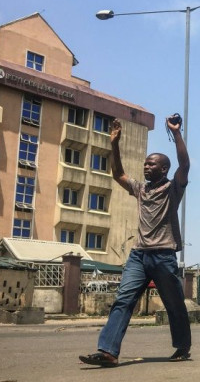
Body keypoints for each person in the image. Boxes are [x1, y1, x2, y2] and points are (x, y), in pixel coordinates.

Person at [79, 117, 191, 366]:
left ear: (164, 169)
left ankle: (183, 345)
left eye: (151, 165)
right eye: (145, 164)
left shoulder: (173, 188)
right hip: (139, 255)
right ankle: (108, 351)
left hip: (164, 255)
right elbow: (118, 173)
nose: (146, 167)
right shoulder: (141, 189)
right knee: (123, 299)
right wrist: (114, 144)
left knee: (174, 303)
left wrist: (177, 134)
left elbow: (184, 164)